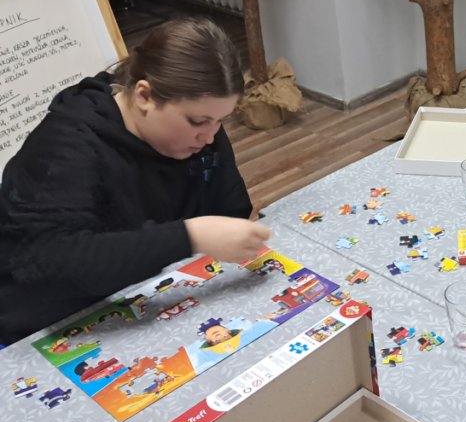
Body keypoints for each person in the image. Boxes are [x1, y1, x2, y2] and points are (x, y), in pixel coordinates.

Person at [0, 18, 271, 346]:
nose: (210, 136)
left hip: (159, 300)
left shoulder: (202, 134)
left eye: (220, 121)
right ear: (144, 96)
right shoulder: (63, 147)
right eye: (198, 121)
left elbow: (231, 210)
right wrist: (190, 236)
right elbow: (56, 265)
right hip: (58, 326)